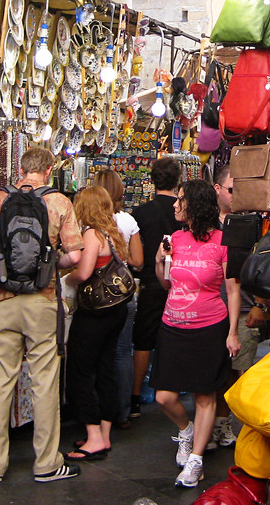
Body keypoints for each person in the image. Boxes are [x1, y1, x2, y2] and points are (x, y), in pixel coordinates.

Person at [0, 147, 84, 484]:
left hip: (1, 302)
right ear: (48, 170)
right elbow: (75, 256)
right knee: (44, 383)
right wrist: (48, 267)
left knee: (1, 382)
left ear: (20, 169)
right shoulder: (60, 202)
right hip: (42, 300)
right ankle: (46, 464)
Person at [151, 178, 240, 488]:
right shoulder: (175, 237)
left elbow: (232, 289)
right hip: (173, 326)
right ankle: (186, 432)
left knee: (205, 396)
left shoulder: (222, 240)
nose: (175, 204)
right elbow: (167, 284)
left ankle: (196, 460)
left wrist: (232, 332)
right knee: (164, 396)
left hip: (209, 327)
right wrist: (160, 260)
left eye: (181, 200)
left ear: (196, 206)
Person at [63, 186, 131, 461]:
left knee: (80, 371)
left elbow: (85, 271)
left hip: (94, 313)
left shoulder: (91, 234)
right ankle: (103, 433)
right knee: (106, 369)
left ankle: (92, 437)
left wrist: (68, 278)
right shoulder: (113, 233)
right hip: (116, 311)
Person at [129, 157, 182, 419]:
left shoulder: (140, 213)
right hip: (181, 284)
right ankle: (175, 390)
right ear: (178, 180)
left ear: (152, 180)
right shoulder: (183, 213)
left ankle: (135, 397)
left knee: (143, 341)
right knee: (178, 337)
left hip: (151, 282)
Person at [91, 170, 142, 428]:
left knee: (95, 354)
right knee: (122, 353)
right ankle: (121, 413)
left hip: (94, 296)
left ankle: (96, 413)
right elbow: (138, 261)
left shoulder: (88, 223)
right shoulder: (127, 221)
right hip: (123, 293)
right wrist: (120, 260)